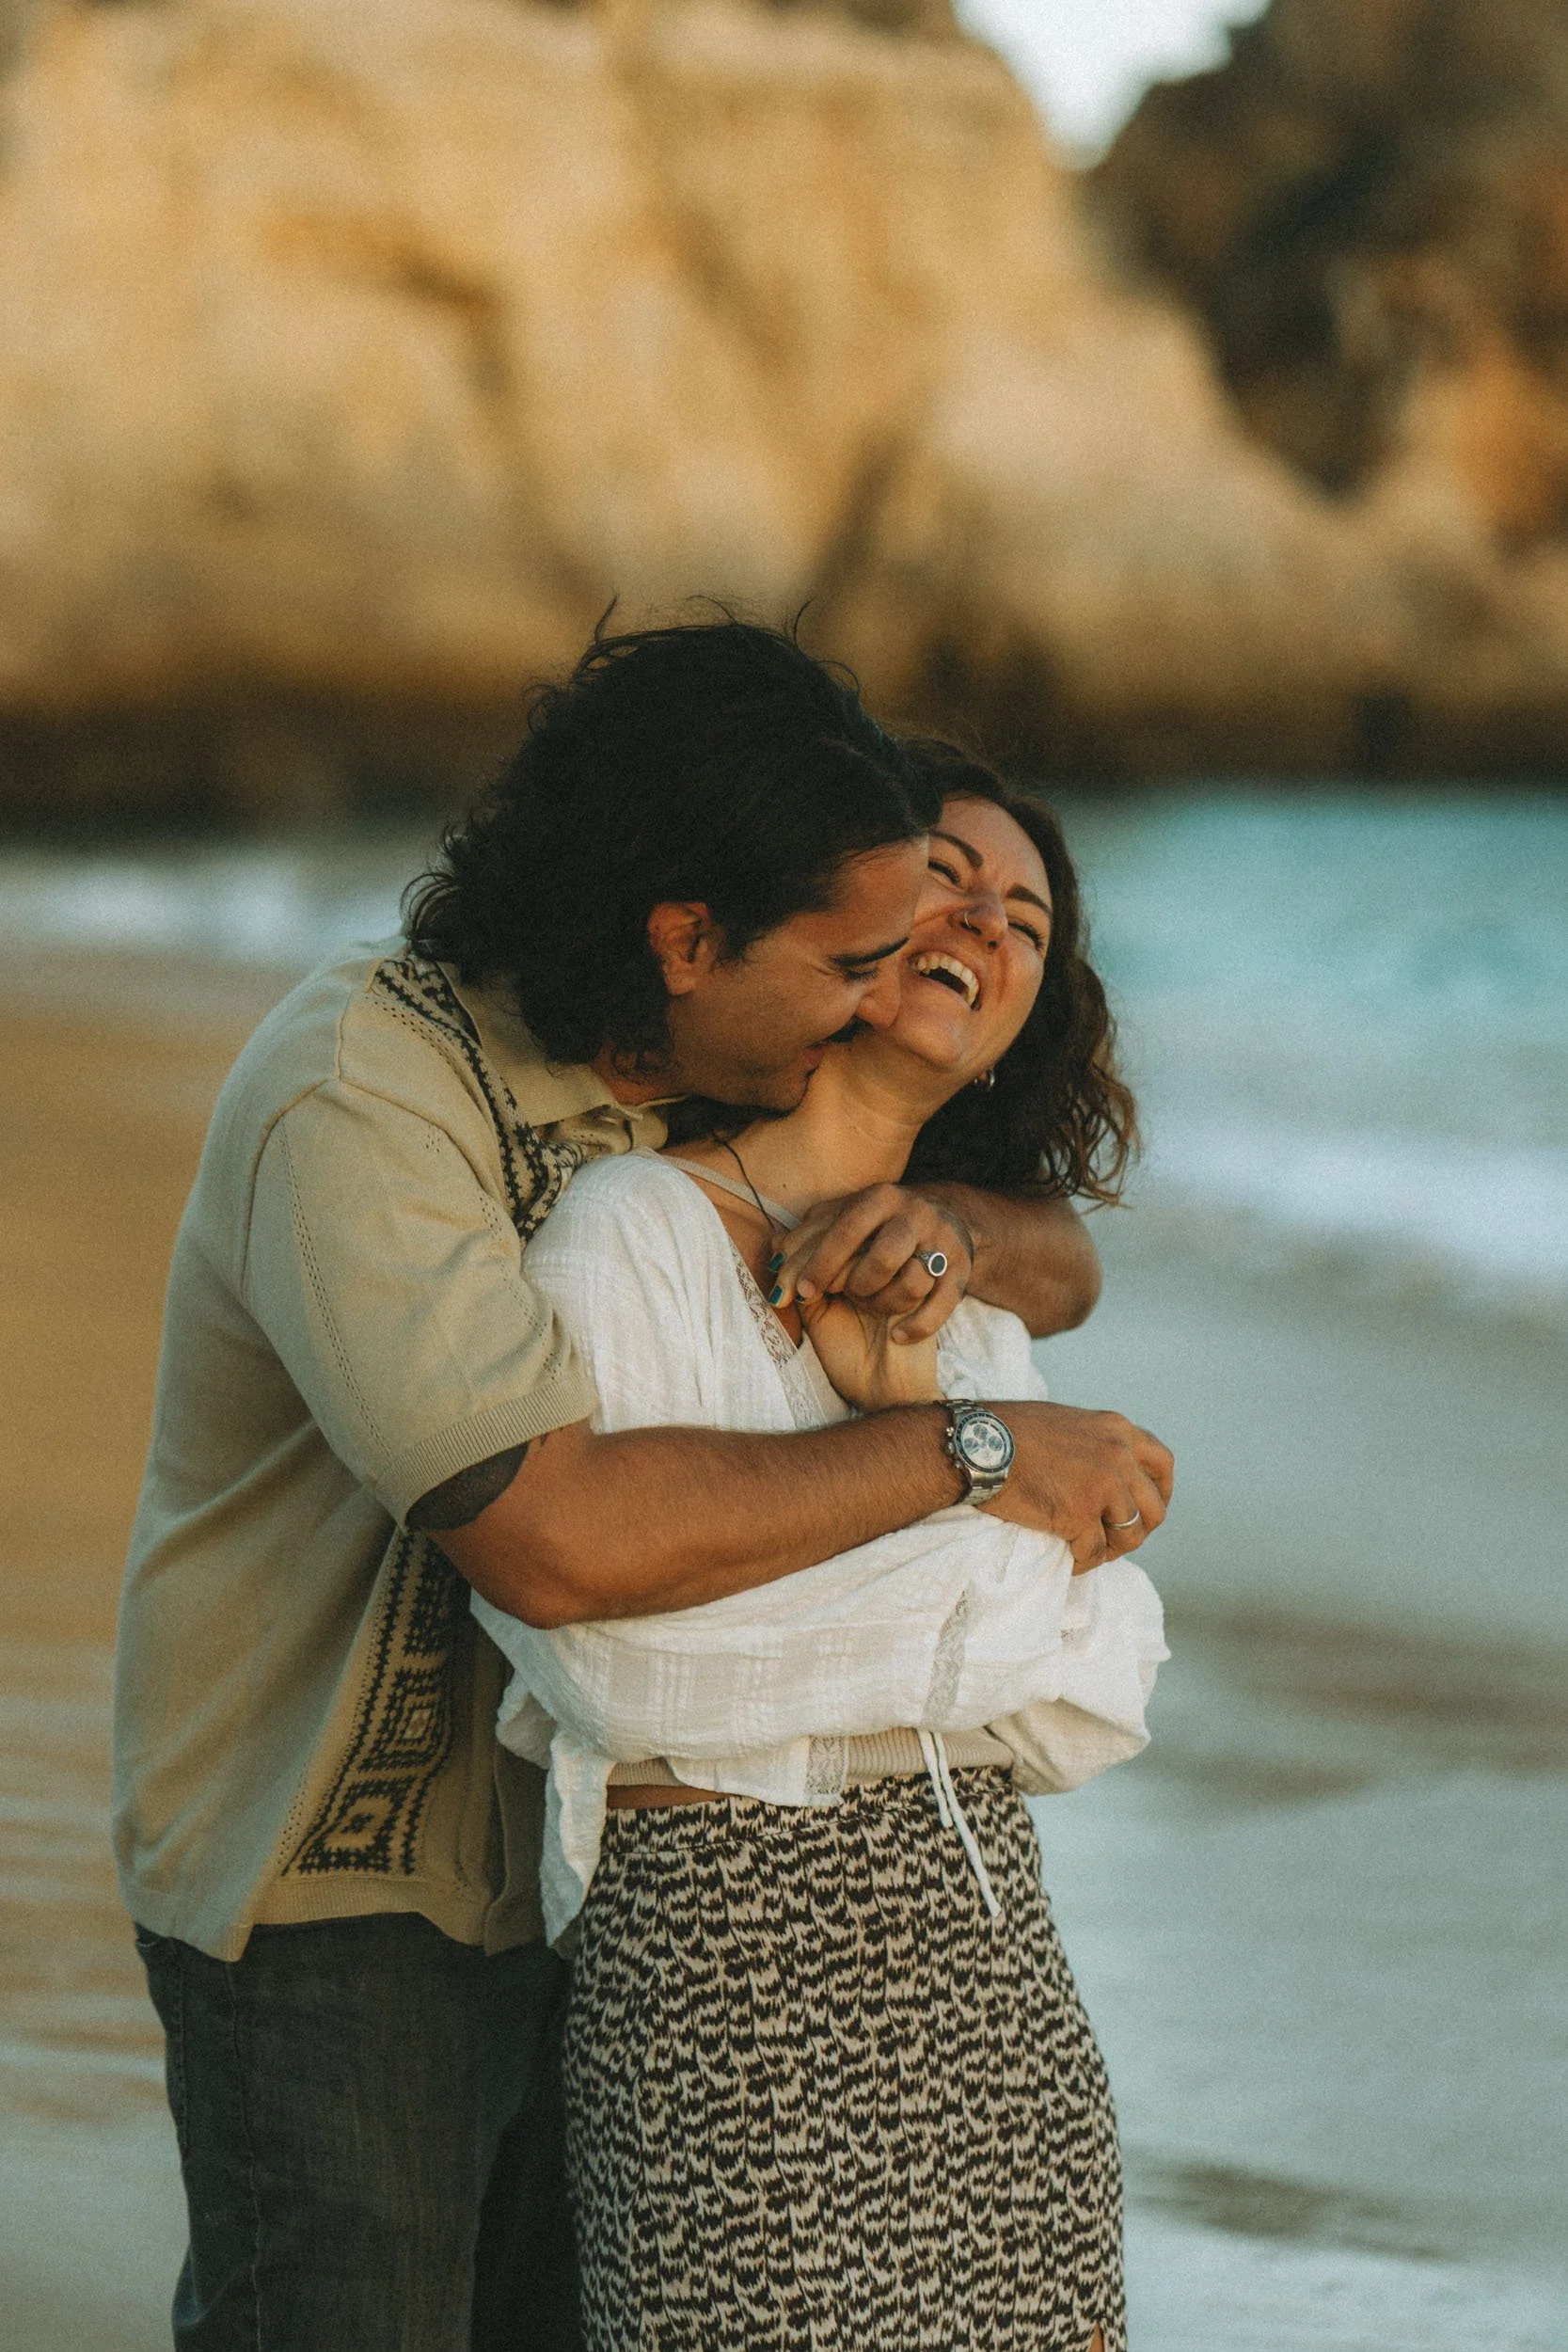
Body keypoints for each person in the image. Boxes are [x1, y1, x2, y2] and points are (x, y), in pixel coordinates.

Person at [114, 618, 1172, 2350]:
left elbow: (1046, 1260)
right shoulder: (367, 1103)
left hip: (600, 1865)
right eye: (848, 960)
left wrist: (964, 1231)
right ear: (688, 938)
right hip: (333, 1871)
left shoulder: (696, 1068)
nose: (876, 984)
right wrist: (972, 1461)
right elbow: (555, 1539)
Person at [479, 745, 1162, 2351]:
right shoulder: (625, 1234)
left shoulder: (974, 1293)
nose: (984, 924)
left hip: (989, 1956)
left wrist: (913, 1419)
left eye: (1027, 924)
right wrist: (962, 1517)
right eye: (947, 874)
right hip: (725, 1973)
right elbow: (611, 1664)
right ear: (841, 918)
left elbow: (1104, 1665)